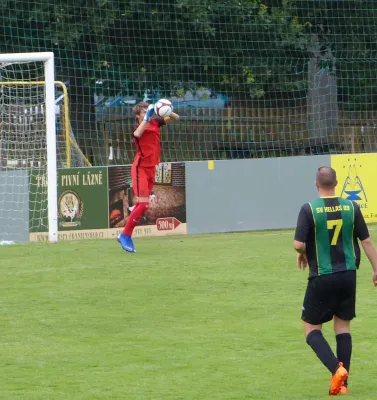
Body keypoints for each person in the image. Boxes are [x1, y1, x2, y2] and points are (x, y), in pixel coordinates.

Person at [293, 166, 377, 396]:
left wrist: (302, 253)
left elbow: (298, 244)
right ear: (337, 183)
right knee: (342, 326)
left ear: (316, 184)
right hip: (348, 274)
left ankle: (336, 371)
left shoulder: (309, 209)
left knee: (311, 328)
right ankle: (343, 385)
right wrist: (376, 269)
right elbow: (367, 241)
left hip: (323, 275)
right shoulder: (352, 206)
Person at [117, 101, 179, 253]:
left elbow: (175, 118)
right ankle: (125, 235)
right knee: (143, 204)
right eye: (144, 112)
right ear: (138, 115)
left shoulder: (155, 123)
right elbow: (137, 134)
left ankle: (124, 235)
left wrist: (165, 109)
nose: (148, 114)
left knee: (142, 205)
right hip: (140, 169)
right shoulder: (139, 127)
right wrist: (146, 118)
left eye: (148, 111)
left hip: (152, 168)